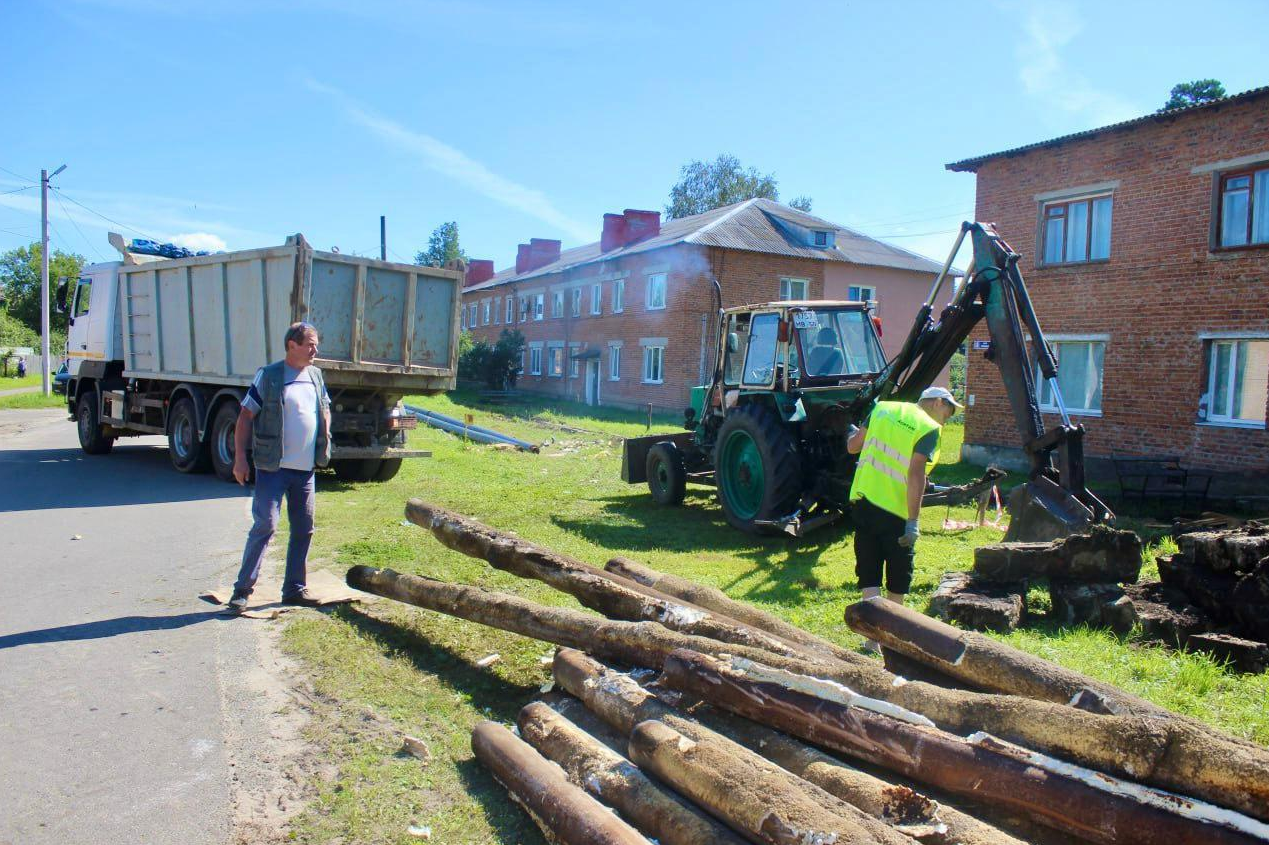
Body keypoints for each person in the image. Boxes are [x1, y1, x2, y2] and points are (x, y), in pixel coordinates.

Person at [228, 322, 332, 613]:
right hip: (273, 468)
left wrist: (325, 441)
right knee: (266, 525)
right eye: (310, 344)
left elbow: (324, 408)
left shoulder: (315, 376)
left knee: (304, 528)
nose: (315, 350)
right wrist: (240, 458)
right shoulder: (270, 375)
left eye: (316, 344)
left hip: (305, 470)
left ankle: (295, 589)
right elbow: (246, 415)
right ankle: (242, 591)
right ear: (292, 345)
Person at [846, 386, 962, 626]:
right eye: (948, 413)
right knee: (898, 573)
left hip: (864, 503)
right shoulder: (928, 428)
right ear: (938, 402)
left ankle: (871, 636)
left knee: (869, 568)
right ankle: (890, 633)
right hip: (897, 512)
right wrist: (913, 521)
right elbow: (916, 474)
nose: (947, 420)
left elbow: (853, 447)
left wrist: (852, 432)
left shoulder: (882, 409)